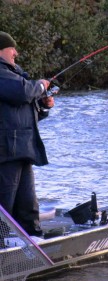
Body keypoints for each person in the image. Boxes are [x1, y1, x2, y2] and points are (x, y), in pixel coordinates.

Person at [0, 31, 55, 236]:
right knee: (5, 207)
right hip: (6, 153)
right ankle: (3, 247)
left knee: (28, 206)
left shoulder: (13, 76)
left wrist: (41, 105)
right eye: (11, 48)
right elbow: (22, 92)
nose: (16, 52)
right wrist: (40, 85)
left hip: (21, 151)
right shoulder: (2, 74)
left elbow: (22, 113)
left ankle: (35, 243)